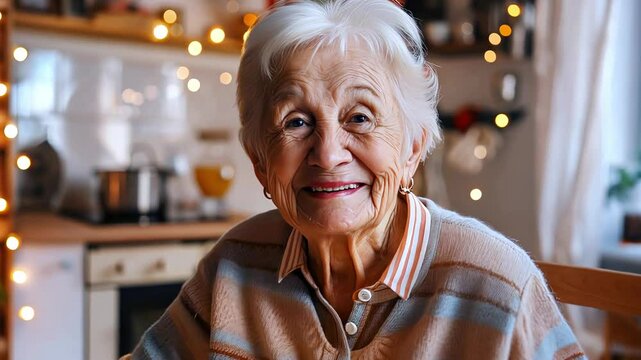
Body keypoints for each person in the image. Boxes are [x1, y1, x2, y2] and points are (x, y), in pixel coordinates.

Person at [131, 0, 584, 358]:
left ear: (412, 148)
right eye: (296, 122)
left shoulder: (497, 286)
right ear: (259, 161)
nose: (328, 154)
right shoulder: (234, 267)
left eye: (360, 118)